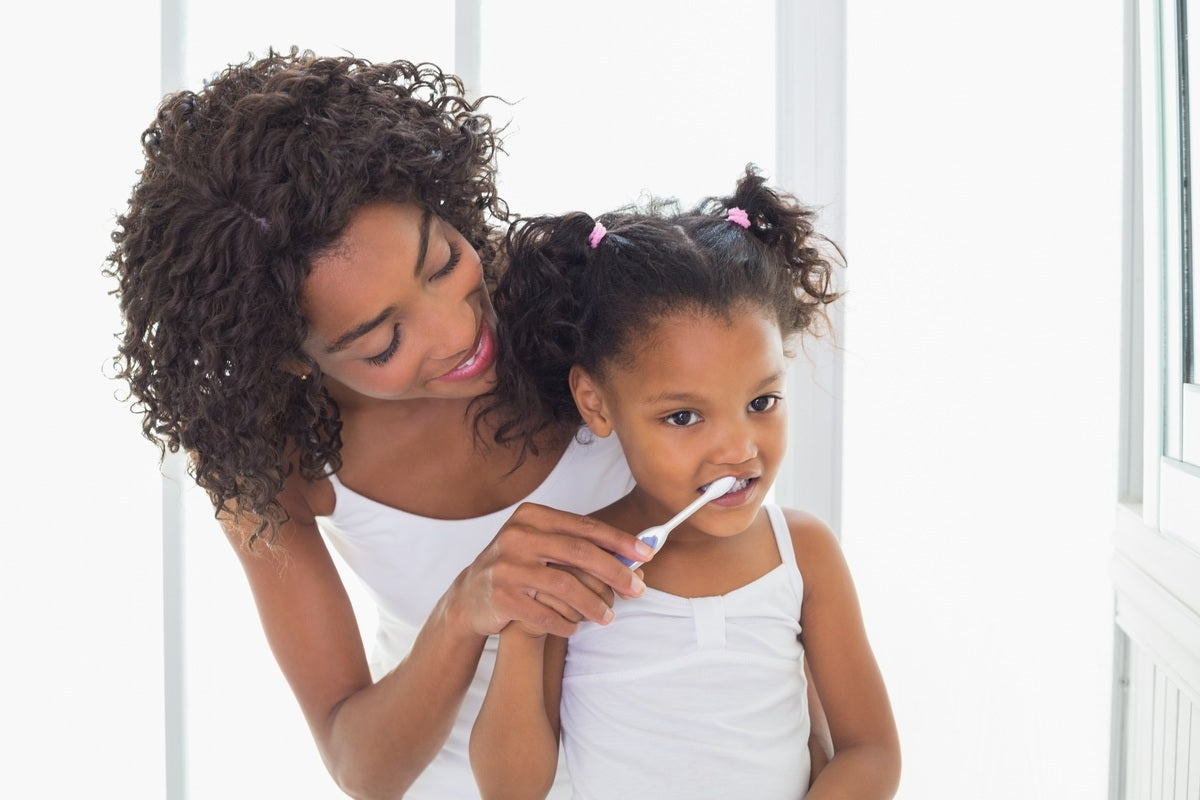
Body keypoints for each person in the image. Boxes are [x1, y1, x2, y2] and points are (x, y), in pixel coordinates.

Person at [106, 49, 831, 798]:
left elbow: (764, 607)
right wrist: (463, 611)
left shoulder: (580, 309)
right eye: (383, 341)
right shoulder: (275, 463)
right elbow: (360, 765)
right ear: (290, 358)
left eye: (443, 261)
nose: (459, 333)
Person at [469, 167, 901, 799]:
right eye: (683, 417)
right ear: (596, 403)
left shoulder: (804, 554)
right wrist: (525, 634)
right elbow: (511, 789)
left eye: (761, 402)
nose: (739, 449)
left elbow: (870, 751)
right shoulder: (572, 566)